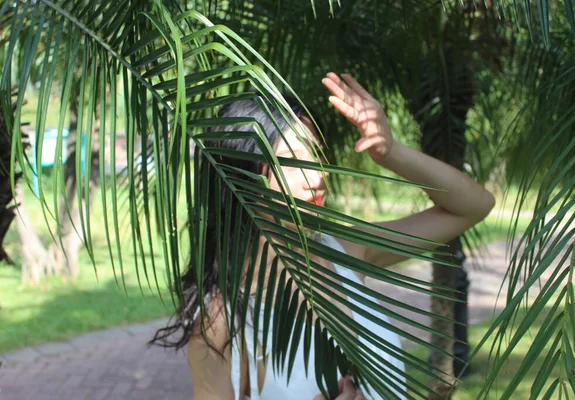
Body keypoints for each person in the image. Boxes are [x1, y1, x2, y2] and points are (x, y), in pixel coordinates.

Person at [151, 72, 496, 399]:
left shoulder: (345, 251)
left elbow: (473, 206)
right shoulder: (219, 323)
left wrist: (390, 151)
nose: (316, 178)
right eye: (293, 163)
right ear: (243, 177)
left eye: (316, 157)